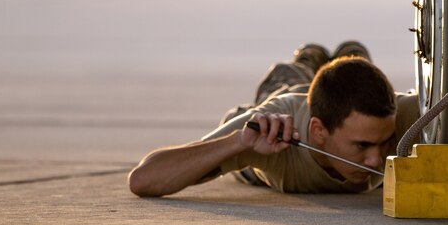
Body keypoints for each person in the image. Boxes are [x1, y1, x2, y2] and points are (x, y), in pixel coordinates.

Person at [128, 42, 419, 197]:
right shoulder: (273, 130)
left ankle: (349, 57)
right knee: (285, 81)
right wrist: (238, 142)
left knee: (353, 73)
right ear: (318, 132)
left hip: (333, 102)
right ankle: (308, 59)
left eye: (384, 143)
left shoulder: (405, 115)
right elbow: (143, 180)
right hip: (283, 99)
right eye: (362, 146)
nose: (375, 160)